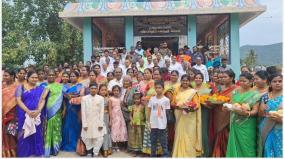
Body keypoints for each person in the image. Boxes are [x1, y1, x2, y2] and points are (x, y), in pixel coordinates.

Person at [226, 72, 260, 157]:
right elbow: (231, 104)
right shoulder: (235, 92)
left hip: (248, 123)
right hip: (235, 122)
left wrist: (247, 113)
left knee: (247, 146)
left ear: (251, 81)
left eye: (244, 81)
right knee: (235, 144)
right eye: (240, 81)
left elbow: (255, 111)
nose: (241, 83)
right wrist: (227, 107)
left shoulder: (255, 94)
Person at [15, 70, 49, 157]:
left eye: (36, 77)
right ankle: (24, 153)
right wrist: (28, 111)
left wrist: (38, 111)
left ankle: (36, 152)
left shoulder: (41, 89)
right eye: (32, 77)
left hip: (36, 115)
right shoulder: (21, 87)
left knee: (36, 132)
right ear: (28, 78)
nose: (35, 79)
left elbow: (43, 100)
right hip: (24, 114)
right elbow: (18, 100)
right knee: (24, 132)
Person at [172, 74, 202, 157]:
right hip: (179, 117)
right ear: (181, 81)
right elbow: (173, 103)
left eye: (187, 80)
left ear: (189, 82)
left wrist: (188, 109)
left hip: (189, 119)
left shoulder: (193, 92)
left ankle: (189, 155)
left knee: (190, 136)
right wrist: (179, 107)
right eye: (183, 80)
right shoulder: (177, 91)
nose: (185, 82)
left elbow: (197, 106)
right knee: (179, 134)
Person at [212, 70, 237, 157]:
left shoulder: (236, 89)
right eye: (221, 77)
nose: (222, 79)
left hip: (227, 116)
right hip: (218, 114)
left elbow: (236, 102)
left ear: (231, 78)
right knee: (218, 134)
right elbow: (216, 99)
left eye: (225, 77)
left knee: (225, 135)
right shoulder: (220, 88)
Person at [258, 73, 282, 157]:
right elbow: (260, 114)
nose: (277, 83)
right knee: (269, 150)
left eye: (280, 81)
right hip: (267, 128)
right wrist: (261, 110)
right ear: (270, 84)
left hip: (281, 129)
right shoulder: (266, 96)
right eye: (274, 81)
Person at [61, 71, 85, 152]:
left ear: (77, 77)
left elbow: (81, 95)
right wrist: (72, 95)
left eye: (74, 76)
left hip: (77, 108)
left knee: (76, 125)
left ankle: (75, 144)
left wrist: (70, 95)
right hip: (68, 107)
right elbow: (64, 97)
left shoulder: (80, 85)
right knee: (67, 125)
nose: (72, 77)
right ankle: (67, 144)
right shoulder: (65, 85)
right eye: (71, 76)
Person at [81, 83, 106, 157]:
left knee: (99, 138)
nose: (93, 90)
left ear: (97, 89)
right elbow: (83, 112)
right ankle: (89, 151)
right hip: (87, 121)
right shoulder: (84, 98)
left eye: (95, 88)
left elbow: (101, 112)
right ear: (89, 89)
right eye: (92, 88)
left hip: (97, 121)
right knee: (86, 137)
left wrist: (100, 123)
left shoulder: (101, 98)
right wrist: (84, 124)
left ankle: (95, 152)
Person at [193, 72, 214, 157]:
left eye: (200, 78)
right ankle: (196, 151)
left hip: (204, 111)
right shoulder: (192, 88)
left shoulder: (207, 88)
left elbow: (210, 103)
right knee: (194, 130)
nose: (198, 79)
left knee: (203, 131)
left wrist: (202, 102)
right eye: (196, 78)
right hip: (194, 112)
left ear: (202, 79)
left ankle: (205, 152)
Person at [147, 80, 170, 157]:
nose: (158, 89)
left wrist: (166, 123)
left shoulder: (166, 100)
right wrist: (149, 121)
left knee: (163, 141)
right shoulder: (152, 99)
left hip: (162, 124)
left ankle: (165, 155)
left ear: (163, 88)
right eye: (156, 88)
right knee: (153, 141)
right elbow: (149, 110)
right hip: (153, 123)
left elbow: (167, 112)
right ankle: (153, 155)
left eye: (159, 88)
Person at [44, 70, 64, 157]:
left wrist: (65, 109)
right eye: (49, 75)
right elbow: (42, 98)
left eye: (53, 75)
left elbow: (66, 97)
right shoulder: (45, 86)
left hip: (58, 110)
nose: (51, 76)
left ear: (55, 76)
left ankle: (55, 149)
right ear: (47, 76)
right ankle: (49, 149)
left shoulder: (60, 86)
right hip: (49, 109)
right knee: (48, 128)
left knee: (57, 128)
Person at [2, 70, 18, 157]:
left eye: (6, 75)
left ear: (12, 76)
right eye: (4, 76)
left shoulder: (17, 87)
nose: (4, 77)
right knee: (4, 133)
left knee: (11, 134)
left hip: (13, 114)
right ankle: (6, 153)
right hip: (3, 114)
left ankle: (13, 152)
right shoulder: (2, 86)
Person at [109, 85, 128, 152]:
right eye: (114, 90)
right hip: (114, 116)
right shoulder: (110, 99)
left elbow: (122, 107)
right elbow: (110, 109)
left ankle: (118, 145)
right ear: (112, 91)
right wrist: (111, 119)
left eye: (117, 91)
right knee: (114, 130)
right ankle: (114, 145)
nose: (116, 92)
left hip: (120, 116)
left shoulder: (120, 99)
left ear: (119, 91)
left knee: (120, 130)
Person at [128, 92, 145, 156]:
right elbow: (130, 115)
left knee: (141, 137)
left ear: (140, 99)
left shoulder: (143, 106)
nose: (136, 100)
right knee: (134, 137)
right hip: (134, 124)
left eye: (138, 99)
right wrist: (132, 120)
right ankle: (135, 150)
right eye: (135, 99)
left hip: (141, 124)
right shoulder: (132, 107)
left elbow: (145, 115)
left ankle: (142, 150)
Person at [98, 84, 112, 157]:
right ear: (99, 91)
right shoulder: (96, 98)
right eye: (102, 90)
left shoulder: (108, 99)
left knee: (105, 133)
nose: (103, 91)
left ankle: (106, 149)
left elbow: (110, 111)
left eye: (105, 90)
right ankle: (99, 149)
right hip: (97, 118)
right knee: (98, 133)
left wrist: (110, 121)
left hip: (105, 117)